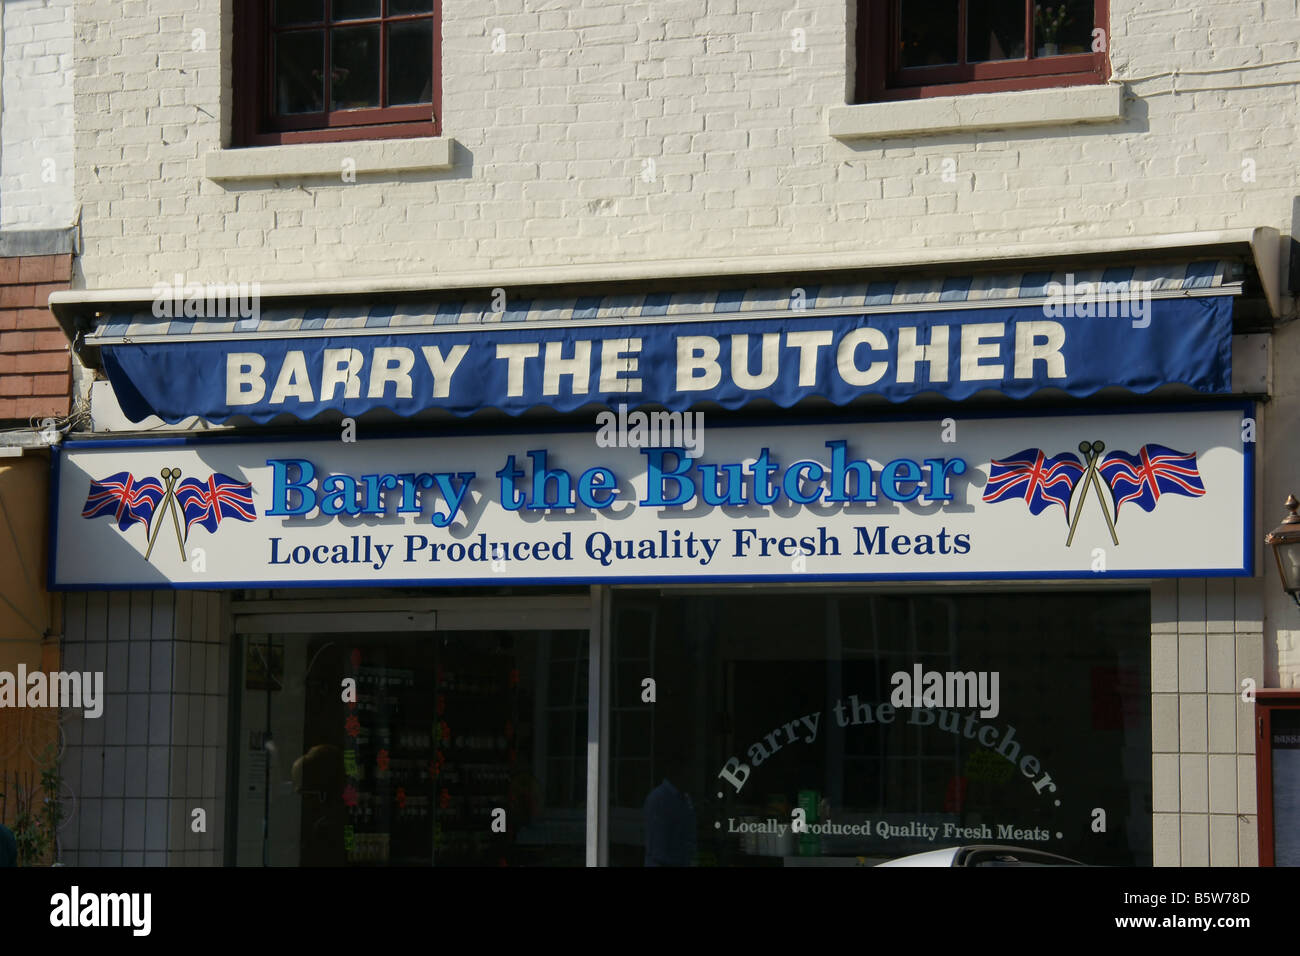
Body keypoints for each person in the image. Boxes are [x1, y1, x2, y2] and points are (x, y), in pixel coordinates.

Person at [643, 750, 696, 866]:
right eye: (689, 772)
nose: (692, 777)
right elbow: (657, 849)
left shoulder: (685, 799)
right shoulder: (659, 799)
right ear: (678, 772)